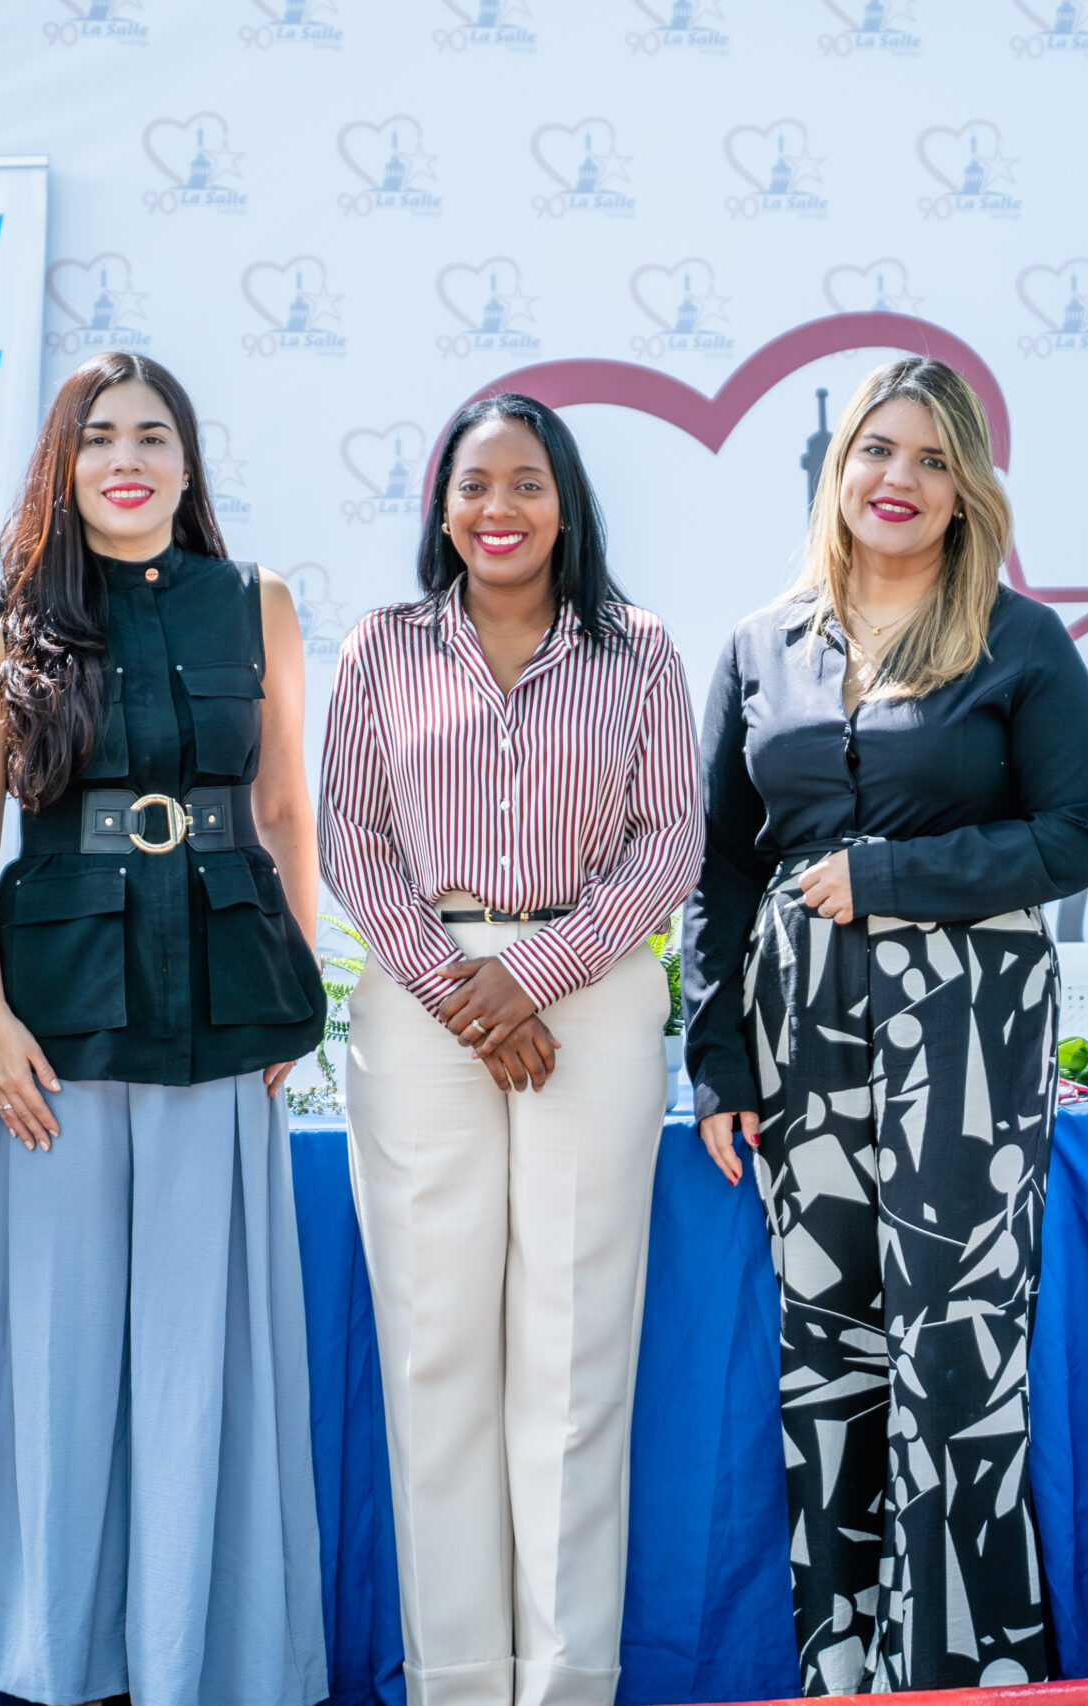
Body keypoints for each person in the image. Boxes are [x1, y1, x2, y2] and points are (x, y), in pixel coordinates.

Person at [681, 356, 1088, 1694]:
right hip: (802, 1030)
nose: (900, 481)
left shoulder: (1018, 639)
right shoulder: (762, 645)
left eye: (932, 459)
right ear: (839, 468)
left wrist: (891, 878)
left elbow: (1079, 835)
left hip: (970, 1032)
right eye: (879, 451)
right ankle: (847, 1665)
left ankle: (972, 1665)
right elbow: (724, 867)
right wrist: (716, 1060)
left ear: (967, 483)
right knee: (829, 1356)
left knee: (957, 1350)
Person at [0, 351, 327, 1706]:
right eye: (99, 436)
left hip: (225, 1003)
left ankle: (201, 1657)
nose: (128, 458)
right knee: (59, 1349)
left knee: (200, 1355)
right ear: (65, 460)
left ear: (186, 460)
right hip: (57, 1019)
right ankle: (58, 1661)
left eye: (154, 434)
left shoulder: (254, 601)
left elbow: (285, 815)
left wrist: (299, 984)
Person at [319, 393, 700, 1706]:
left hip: (588, 999)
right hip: (426, 1015)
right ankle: (462, 1681)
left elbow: (668, 845)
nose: (500, 508)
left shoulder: (638, 650)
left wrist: (529, 977)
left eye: (527, 484)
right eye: (475, 484)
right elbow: (351, 840)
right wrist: (458, 984)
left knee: (575, 1353)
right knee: (435, 1356)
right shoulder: (380, 651)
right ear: (441, 505)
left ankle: (567, 1684)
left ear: (566, 502)